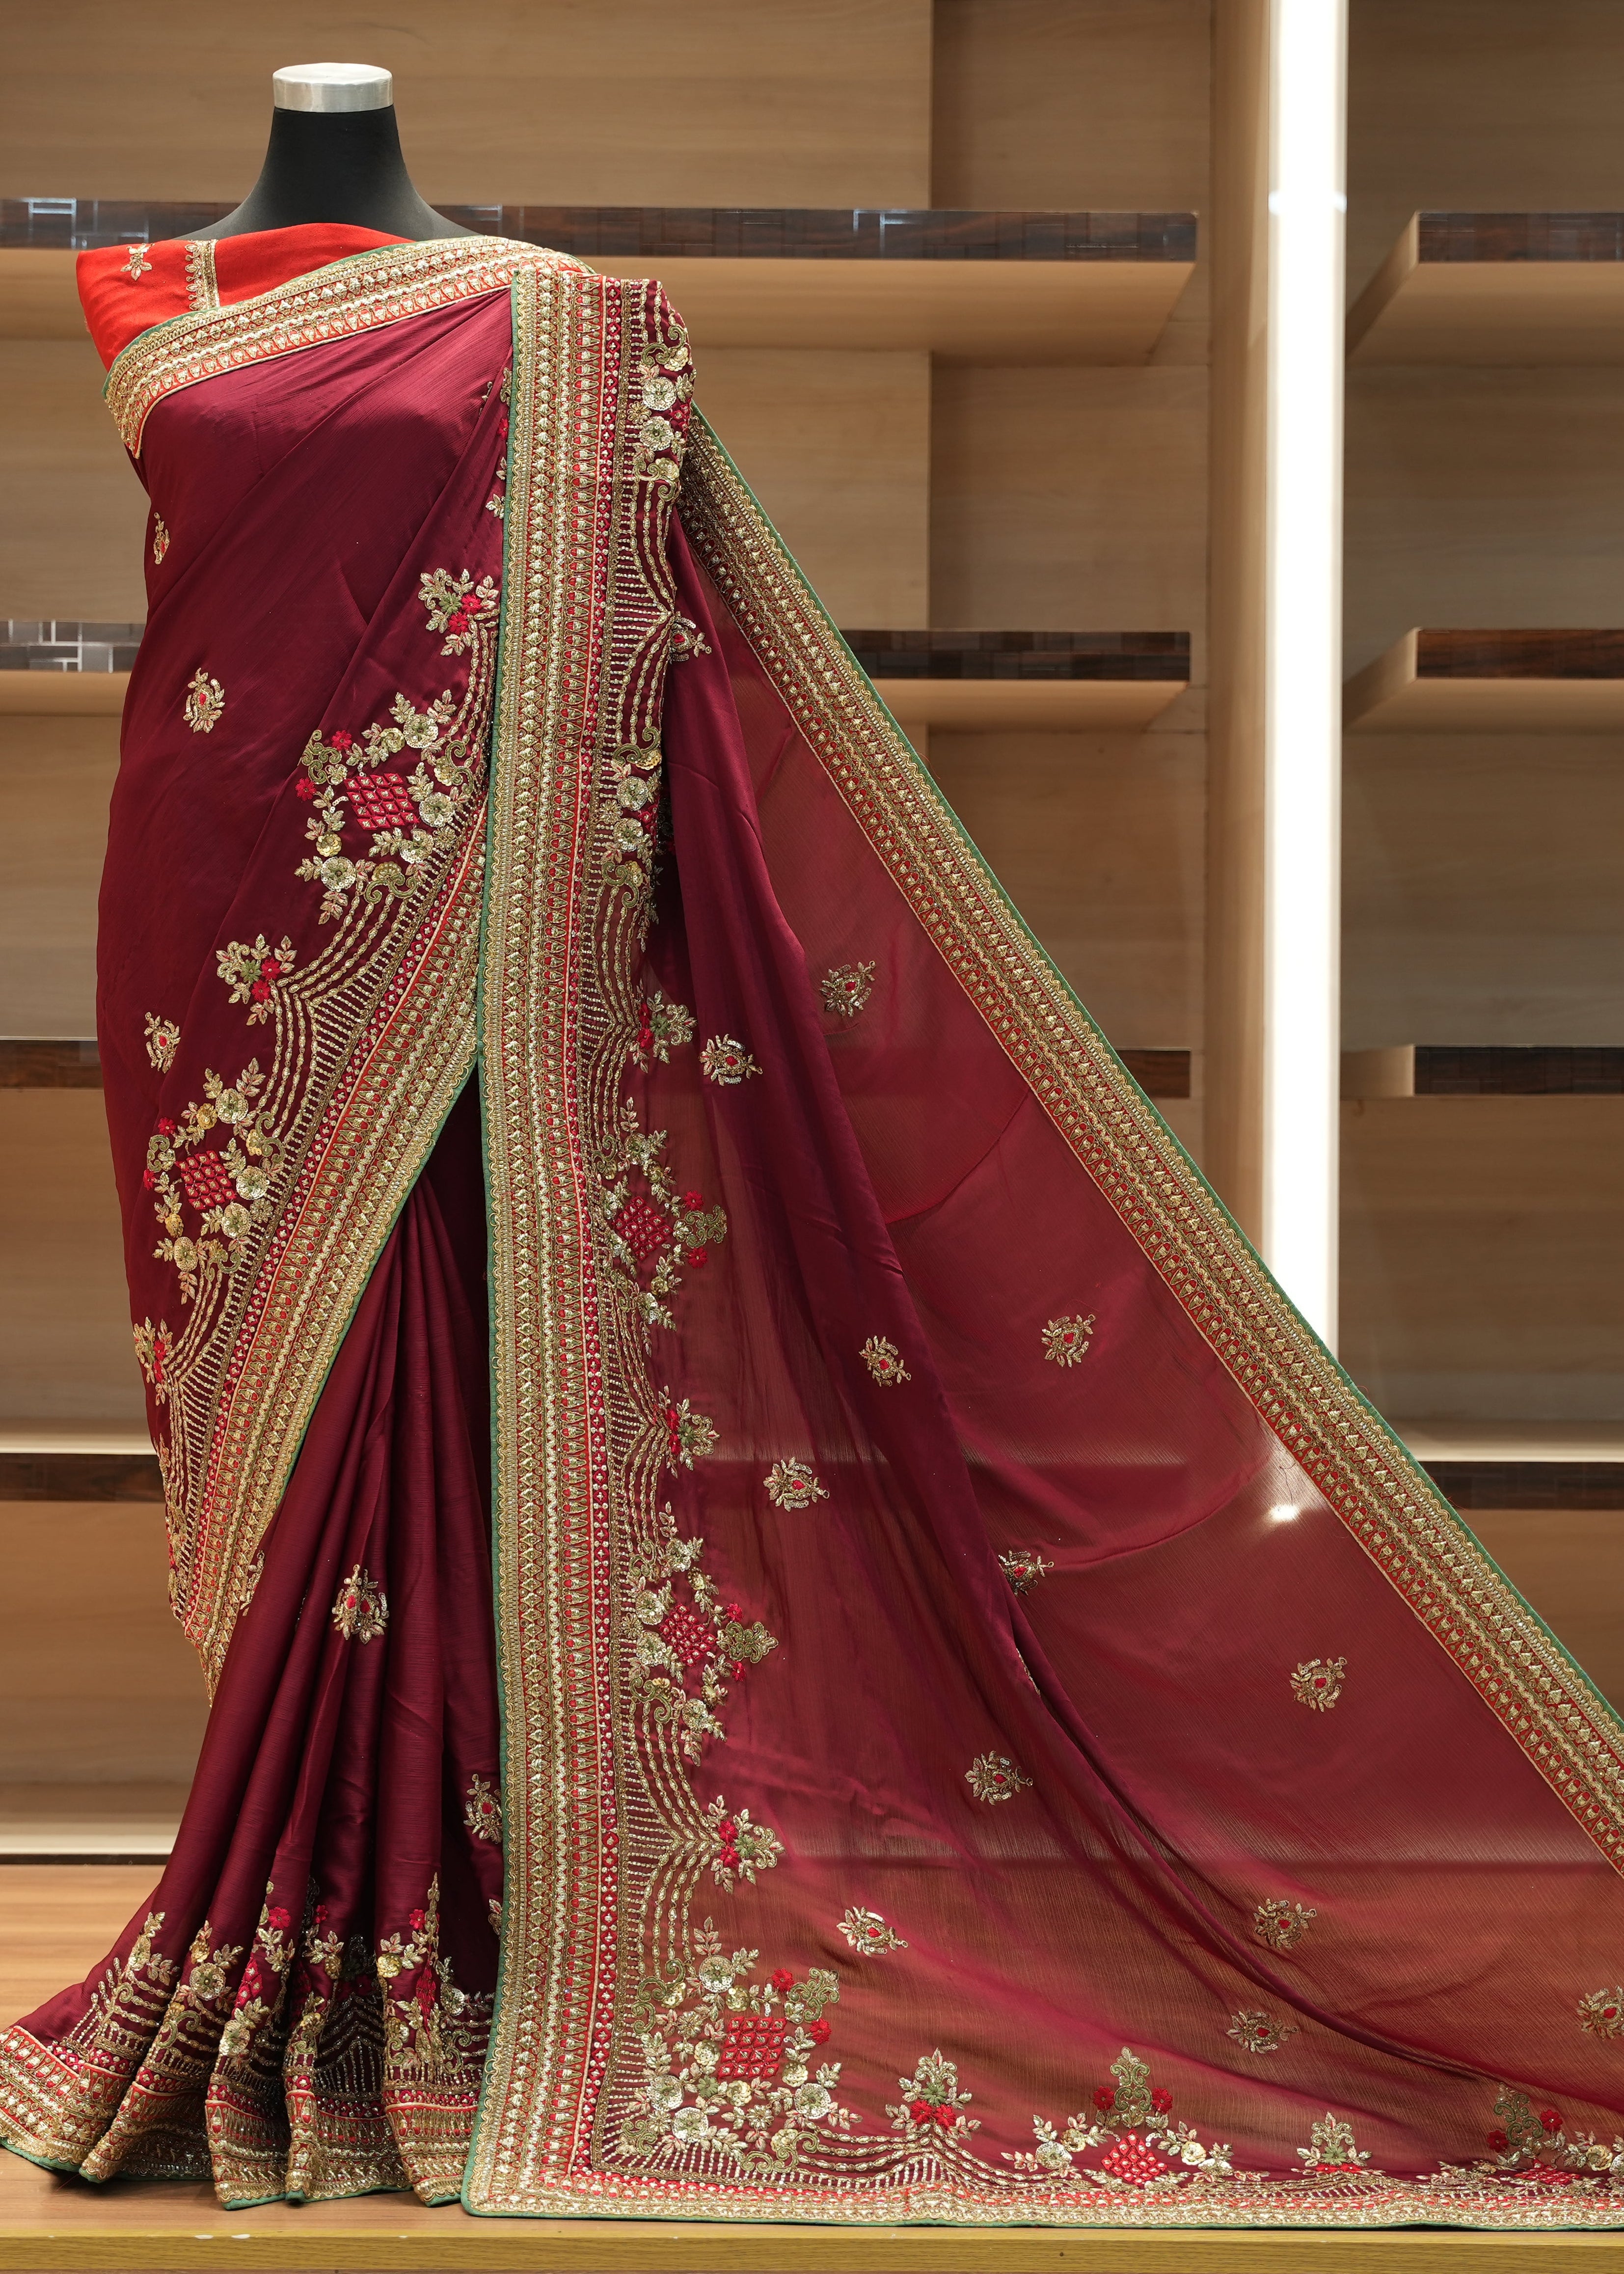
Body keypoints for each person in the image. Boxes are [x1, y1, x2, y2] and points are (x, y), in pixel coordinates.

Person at [3, 62, 1624, 2231]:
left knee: (434, 1396)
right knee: (293, 1427)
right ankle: (357, 1911)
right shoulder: (145, 292)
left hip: (473, 941)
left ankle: (426, 1939)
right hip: (212, 911)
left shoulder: (549, 322)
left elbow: (627, 668)